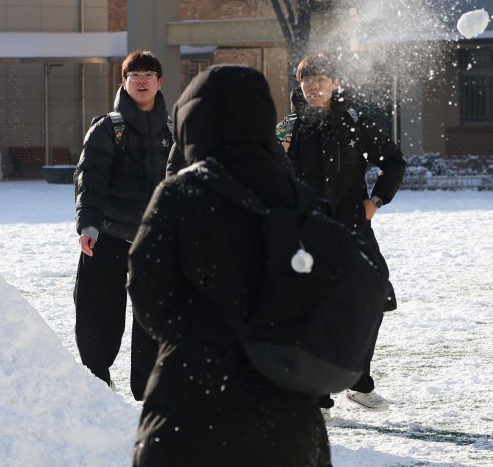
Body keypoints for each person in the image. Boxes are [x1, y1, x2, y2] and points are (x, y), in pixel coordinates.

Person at [127, 65, 332, 466]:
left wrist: (191, 337)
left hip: (188, 400)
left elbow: (147, 288)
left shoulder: (178, 195)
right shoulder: (297, 198)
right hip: (287, 405)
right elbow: (324, 289)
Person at [278, 52, 406, 420]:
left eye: (322, 78)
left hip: (353, 226)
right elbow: (268, 176)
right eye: (307, 79)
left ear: (335, 83)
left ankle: (358, 379)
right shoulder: (288, 130)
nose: (314, 85)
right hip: (308, 233)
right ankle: (315, 396)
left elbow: (394, 162)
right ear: (300, 84)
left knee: (373, 297)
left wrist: (376, 201)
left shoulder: (355, 123)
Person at [73, 50, 173, 401]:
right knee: (98, 315)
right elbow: (90, 179)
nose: (142, 80)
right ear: (124, 82)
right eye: (135, 75)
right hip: (110, 238)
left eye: (149, 74)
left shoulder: (173, 131)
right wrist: (88, 225)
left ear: (160, 82)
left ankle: (149, 391)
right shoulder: (107, 128)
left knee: (154, 318)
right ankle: (96, 383)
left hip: (156, 241)